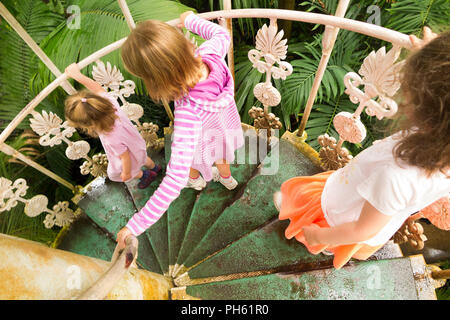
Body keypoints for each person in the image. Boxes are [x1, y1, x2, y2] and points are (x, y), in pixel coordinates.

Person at [274, 27, 450, 269]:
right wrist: (435, 63)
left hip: (342, 213)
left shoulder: (396, 177)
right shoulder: (442, 145)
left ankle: (310, 237)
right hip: (361, 196)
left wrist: (319, 236)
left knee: (316, 227)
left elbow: (360, 230)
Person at [116, 11, 244, 245]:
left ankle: (196, 181)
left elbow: (174, 178)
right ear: (182, 42)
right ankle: (227, 179)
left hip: (200, 141)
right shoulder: (210, 55)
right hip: (225, 129)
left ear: (157, 79)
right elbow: (221, 33)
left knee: (192, 165)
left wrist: (135, 225)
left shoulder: (188, 112)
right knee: (222, 156)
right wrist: (191, 21)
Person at [64, 63, 161, 188]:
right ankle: (155, 168)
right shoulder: (110, 103)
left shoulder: (110, 137)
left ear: (89, 125)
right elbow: (97, 88)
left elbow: (125, 158)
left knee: (117, 173)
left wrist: (126, 174)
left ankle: (145, 175)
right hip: (137, 144)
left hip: (129, 157)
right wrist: (77, 75)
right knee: (142, 157)